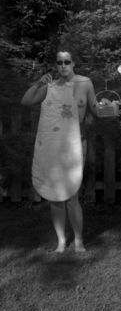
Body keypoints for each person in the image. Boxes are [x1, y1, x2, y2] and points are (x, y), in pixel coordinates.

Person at [22, 49, 97, 253]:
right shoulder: (50, 87)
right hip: (54, 148)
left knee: (72, 196)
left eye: (67, 62)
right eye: (59, 62)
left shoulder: (85, 83)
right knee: (55, 196)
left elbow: (95, 109)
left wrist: (110, 107)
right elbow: (26, 101)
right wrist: (38, 83)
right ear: (56, 65)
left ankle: (79, 241)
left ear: (74, 63)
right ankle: (61, 241)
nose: (63, 65)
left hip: (76, 145)